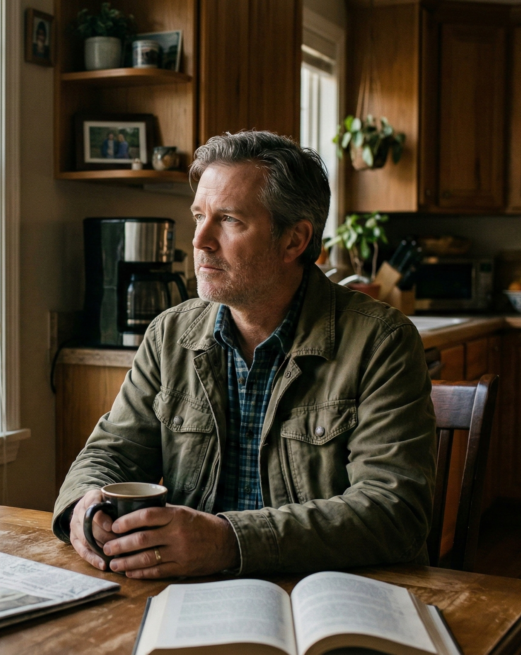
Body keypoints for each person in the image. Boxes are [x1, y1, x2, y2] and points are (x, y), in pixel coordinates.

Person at [52, 130, 437, 579]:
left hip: (326, 597)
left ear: (294, 241)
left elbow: (393, 513)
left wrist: (228, 541)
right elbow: (107, 456)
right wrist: (84, 509)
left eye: (230, 219)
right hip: (186, 591)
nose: (199, 241)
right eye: (199, 216)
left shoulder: (381, 341)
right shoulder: (169, 334)